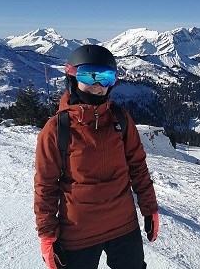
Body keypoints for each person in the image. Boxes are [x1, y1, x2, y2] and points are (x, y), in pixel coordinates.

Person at [34, 45, 159, 269]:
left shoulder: (121, 119)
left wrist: (149, 208)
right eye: (89, 76)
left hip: (123, 225)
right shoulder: (56, 129)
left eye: (106, 78)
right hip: (78, 231)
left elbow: (138, 166)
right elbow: (46, 185)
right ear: (72, 78)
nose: (98, 86)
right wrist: (47, 234)